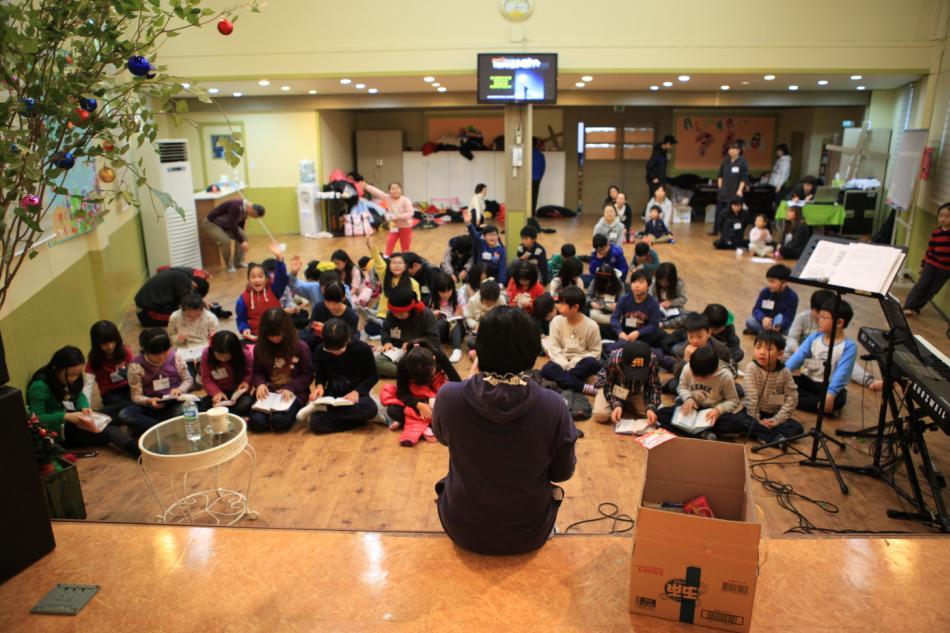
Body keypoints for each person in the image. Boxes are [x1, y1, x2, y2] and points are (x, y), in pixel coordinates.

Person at [432, 306, 578, 555]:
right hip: (530, 533)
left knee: (446, 482)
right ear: (532, 352)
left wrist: (470, 381)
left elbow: (444, 438)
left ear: (479, 349)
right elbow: (562, 472)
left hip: (463, 530)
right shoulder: (553, 405)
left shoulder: (449, 396)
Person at [29, 346, 138, 456]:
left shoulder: (68, 379)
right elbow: (35, 419)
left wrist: (84, 406)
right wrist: (65, 416)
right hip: (62, 431)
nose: (74, 378)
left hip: (78, 418)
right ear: (56, 368)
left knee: (125, 405)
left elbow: (79, 394)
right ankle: (142, 453)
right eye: (71, 375)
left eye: (77, 374)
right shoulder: (40, 386)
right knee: (111, 431)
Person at [786, 298, 858, 416]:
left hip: (828, 386)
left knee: (838, 400)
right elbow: (797, 357)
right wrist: (781, 373)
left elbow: (842, 373)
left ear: (839, 323)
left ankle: (794, 400)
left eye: (825, 317)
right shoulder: (814, 337)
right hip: (807, 381)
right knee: (785, 383)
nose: (819, 320)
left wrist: (831, 394)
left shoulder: (849, 346)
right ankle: (819, 406)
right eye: (819, 317)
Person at [656, 346, 742, 442]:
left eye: (704, 376)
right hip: (691, 409)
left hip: (711, 413)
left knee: (735, 423)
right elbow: (682, 387)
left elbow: (733, 400)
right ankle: (703, 434)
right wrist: (688, 398)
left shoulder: (725, 376)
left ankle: (696, 433)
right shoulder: (688, 368)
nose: (699, 379)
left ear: (715, 370)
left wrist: (718, 410)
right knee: (661, 414)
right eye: (695, 375)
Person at [382, 340, 461, 446]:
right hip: (416, 395)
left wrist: (438, 400)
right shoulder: (404, 363)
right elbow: (402, 392)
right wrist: (418, 405)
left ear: (434, 359)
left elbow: (457, 383)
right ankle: (430, 423)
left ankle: (415, 423)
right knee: (392, 410)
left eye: (430, 374)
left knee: (456, 406)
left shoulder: (439, 355)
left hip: (437, 393)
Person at [308, 319, 379, 434]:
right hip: (333, 394)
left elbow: (373, 376)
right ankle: (358, 421)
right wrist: (319, 386)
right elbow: (321, 374)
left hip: (356, 393)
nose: (335, 353)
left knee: (370, 409)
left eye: (340, 349)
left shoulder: (362, 349)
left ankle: (333, 413)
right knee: (315, 423)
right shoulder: (321, 350)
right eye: (330, 350)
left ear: (347, 339)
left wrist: (357, 391)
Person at [119, 328, 193, 436]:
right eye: (156, 354)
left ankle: (151, 428)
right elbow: (136, 396)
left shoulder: (175, 357)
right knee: (125, 414)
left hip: (173, 403)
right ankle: (166, 429)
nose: (162, 357)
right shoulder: (136, 366)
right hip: (149, 408)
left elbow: (188, 379)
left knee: (190, 407)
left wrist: (180, 389)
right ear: (146, 351)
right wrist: (149, 401)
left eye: (165, 352)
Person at [249, 308, 312, 432]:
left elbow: (307, 374)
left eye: (278, 335)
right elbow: (257, 371)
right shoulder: (260, 347)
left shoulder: (300, 347)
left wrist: (291, 387)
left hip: (294, 392)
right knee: (257, 422)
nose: (275, 339)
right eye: (271, 336)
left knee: (280, 421)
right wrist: (260, 383)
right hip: (269, 392)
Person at [741, 331, 804, 444]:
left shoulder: (785, 372)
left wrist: (776, 420)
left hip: (773, 415)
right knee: (739, 421)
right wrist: (757, 421)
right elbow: (751, 398)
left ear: (780, 353)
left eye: (768, 349)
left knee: (797, 429)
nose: (762, 352)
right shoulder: (752, 368)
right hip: (752, 413)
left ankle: (760, 433)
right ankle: (771, 436)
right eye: (758, 347)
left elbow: (792, 398)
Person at [540, 286, 602, 393]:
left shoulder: (591, 326)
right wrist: (565, 364)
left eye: (562, 303)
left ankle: (564, 381)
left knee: (592, 363)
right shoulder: (556, 321)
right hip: (561, 361)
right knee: (547, 369)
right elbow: (554, 348)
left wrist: (573, 362)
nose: (558, 306)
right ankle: (584, 387)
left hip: (580, 363)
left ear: (575, 307)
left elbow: (595, 352)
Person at [591, 341, 661, 428]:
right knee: (601, 415)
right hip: (612, 388)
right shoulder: (615, 359)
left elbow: (654, 386)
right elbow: (608, 385)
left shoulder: (651, 360)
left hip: (635, 390)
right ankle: (621, 404)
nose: (635, 374)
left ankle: (625, 404)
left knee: (651, 414)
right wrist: (616, 404)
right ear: (623, 361)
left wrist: (651, 407)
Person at [375, 285, 440, 378]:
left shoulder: (425, 315)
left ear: (410, 309)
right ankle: (415, 373)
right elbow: (385, 330)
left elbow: (434, 340)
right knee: (376, 362)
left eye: (400, 313)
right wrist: (387, 342)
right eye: (394, 312)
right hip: (398, 351)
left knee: (427, 363)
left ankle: (408, 372)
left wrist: (412, 343)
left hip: (420, 352)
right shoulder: (392, 314)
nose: (396, 315)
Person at [364, 235, 421, 336]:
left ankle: (385, 327)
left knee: (409, 328)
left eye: (400, 263)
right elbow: (379, 262)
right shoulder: (385, 277)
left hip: (404, 316)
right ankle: (386, 326)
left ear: (405, 267)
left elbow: (417, 301)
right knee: (369, 328)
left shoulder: (413, 283)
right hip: (386, 315)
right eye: (394, 263)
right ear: (389, 266)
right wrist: (371, 247)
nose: (397, 265)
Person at [668, 312, 737, 393]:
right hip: (694, 382)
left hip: (715, 382)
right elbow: (677, 375)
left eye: (699, 336)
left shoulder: (720, 348)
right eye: (691, 337)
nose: (695, 341)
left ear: (708, 333)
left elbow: (733, 369)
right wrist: (685, 359)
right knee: (673, 385)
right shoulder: (684, 349)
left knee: (736, 389)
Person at [903, 202, 950, 316]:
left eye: (947, 216)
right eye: (941, 216)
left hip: (945, 269)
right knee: (922, 284)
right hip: (931, 264)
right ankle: (908, 306)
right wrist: (923, 265)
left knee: (932, 290)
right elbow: (929, 249)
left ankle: (916, 307)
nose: (943, 219)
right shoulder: (936, 232)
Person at [236, 242, 289, 342]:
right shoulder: (243, 299)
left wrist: (279, 258)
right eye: (253, 277)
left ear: (266, 279)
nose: (257, 280)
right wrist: (244, 329)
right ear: (249, 280)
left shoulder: (274, 290)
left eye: (260, 276)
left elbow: (281, 278)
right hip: (256, 337)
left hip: (277, 334)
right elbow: (241, 320)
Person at [83, 320, 133, 423]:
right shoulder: (93, 360)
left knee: (133, 399)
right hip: (110, 393)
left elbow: (136, 372)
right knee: (129, 402)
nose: (109, 346)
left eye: (112, 341)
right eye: (104, 343)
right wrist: (86, 407)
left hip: (127, 387)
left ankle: (101, 417)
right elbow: (88, 386)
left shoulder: (125, 351)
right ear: (96, 344)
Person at [198, 331, 254, 417]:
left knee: (246, 403)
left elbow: (250, 373)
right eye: (219, 355)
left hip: (237, 392)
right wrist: (216, 392)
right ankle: (230, 414)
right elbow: (206, 378)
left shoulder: (245, 354)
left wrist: (245, 382)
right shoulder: (207, 354)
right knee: (204, 408)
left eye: (227, 357)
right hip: (219, 390)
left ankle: (228, 415)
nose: (223, 359)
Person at [202, 198, 264, 272]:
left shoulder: (247, 209)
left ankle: (238, 262)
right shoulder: (236, 207)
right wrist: (241, 242)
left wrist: (241, 238)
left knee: (243, 236)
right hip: (212, 223)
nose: (254, 217)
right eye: (255, 216)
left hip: (225, 224)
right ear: (252, 210)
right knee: (225, 241)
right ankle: (229, 266)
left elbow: (240, 222)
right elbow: (232, 225)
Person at [134, 267, 210, 326]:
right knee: (188, 316)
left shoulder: (182, 276)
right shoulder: (183, 281)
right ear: (194, 285)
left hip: (148, 308)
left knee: (190, 312)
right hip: (148, 314)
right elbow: (189, 306)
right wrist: (204, 309)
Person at [303, 280, 360, 353]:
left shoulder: (352, 316)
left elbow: (349, 341)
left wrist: (326, 332)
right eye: (328, 302)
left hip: (341, 349)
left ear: (343, 298)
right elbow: (311, 333)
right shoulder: (319, 307)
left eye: (336, 303)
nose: (331, 306)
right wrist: (317, 333)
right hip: (321, 345)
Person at [611, 269, 663, 349]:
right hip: (625, 331)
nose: (636, 285)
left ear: (648, 285)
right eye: (634, 282)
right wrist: (620, 332)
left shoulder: (654, 303)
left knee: (658, 335)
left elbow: (653, 325)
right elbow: (614, 318)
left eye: (641, 283)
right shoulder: (624, 299)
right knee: (603, 329)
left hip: (643, 334)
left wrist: (638, 333)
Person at [362, 179, 415, 256]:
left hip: (405, 226)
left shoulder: (405, 200)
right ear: (389, 191)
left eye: (397, 188)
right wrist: (367, 186)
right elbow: (377, 192)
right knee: (390, 243)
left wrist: (398, 217)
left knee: (405, 248)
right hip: (394, 226)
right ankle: (387, 258)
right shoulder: (388, 197)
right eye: (392, 189)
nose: (395, 190)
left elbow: (410, 213)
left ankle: (405, 260)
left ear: (401, 190)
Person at [745, 264, 798, 335]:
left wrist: (780, 325)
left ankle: (765, 333)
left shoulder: (792, 297)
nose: (769, 284)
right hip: (765, 323)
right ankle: (772, 335)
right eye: (768, 281)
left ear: (784, 282)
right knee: (750, 321)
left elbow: (788, 318)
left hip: (779, 326)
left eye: (772, 282)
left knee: (790, 331)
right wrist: (763, 318)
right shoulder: (765, 292)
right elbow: (756, 309)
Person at [167, 291, 219, 363]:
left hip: (203, 345)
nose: (193, 318)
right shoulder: (175, 317)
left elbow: (216, 336)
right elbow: (171, 334)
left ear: (202, 309)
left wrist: (212, 338)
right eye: (189, 316)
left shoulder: (210, 317)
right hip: (182, 347)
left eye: (198, 315)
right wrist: (177, 338)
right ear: (182, 310)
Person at [711, 141, 750, 236]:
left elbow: (744, 178)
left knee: (730, 212)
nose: (730, 151)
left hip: (735, 192)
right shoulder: (725, 161)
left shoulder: (743, 162)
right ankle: (715, 229)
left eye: (733, 149)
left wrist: (740, 190)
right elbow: (720, 175)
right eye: (730, 149)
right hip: (723, 191)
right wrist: (720, 187)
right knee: (719, 211)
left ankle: (728, 231)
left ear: (738, 150)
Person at [429, 272, 465, 363]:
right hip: (443, 332)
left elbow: (467, 314)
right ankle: (433, 349)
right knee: (440, 323)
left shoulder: (458, 297)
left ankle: (457, 350)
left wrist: (461, 313)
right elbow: (428, 320)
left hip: (457, 331)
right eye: (442, 292)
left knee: (453, 322)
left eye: (449, 291)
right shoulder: (433, 300)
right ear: (437, 291)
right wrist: (433, 315)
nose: (446, 295)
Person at [464, 208, 507, 284]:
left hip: (492, 277)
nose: (492, 237)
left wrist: (501, 283)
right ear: (484, 237)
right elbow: (474, 235)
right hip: (478, 275)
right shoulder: (481, 244)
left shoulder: (501, 250)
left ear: (498, 236)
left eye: (494, 235)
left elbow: (502, 267)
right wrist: (468, 223)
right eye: (489, 235)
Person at [463, 279, 506, 352]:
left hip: (496, 331)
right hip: (480, 332)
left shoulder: (501, 299)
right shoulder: (473, 301)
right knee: (470, 341)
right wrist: (475, 325)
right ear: (481, 296)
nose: (490, 304)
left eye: (494, 301)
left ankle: (488, 349)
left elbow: (505, 316)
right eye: (487, 301)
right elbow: (468, 317)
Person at [587, 264, 625, 338]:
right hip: (598, 309)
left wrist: (617, 305)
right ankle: (604, 326)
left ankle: (599, 326)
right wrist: (591, 303)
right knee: (587, 312)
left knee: (621, 319)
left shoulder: (619, 284)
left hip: (612, 312)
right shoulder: (595, 282)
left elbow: (622, 301)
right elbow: (587, 296)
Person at [651, 262, 687, 329]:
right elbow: (650, 295)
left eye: (666, 282)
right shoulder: (654, 282)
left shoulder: (679, 284)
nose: (663, 284)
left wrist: (670, 302)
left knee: (685, 317)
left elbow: (683, 298)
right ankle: (661, 323)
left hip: (673, 309)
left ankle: (662, 324)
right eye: (661, 281)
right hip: (657, 308)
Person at [531, 139, 546, 212]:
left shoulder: (526, 153)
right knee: (534, 196)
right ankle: (532, 212)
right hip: (536, 178)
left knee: (525, 195)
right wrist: (540, 178)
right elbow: (543, 168)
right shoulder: (540, 154)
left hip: (527, 179)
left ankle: (526, 211)